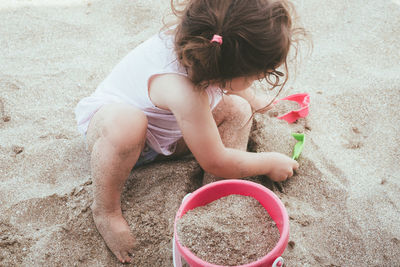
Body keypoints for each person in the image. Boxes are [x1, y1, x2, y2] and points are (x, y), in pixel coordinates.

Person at [75, 0, 305, 263]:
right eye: (256, 76)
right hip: (114, 140)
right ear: (227, 68)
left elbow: (233, 82)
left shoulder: (209, 47)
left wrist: (258, 102)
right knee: (127, 123)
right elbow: (215, 159)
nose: (256, 80)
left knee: (239, 109)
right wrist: (269, 162)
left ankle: (218, 195)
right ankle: (106, 211)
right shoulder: (182, 90)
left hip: (169, 134)